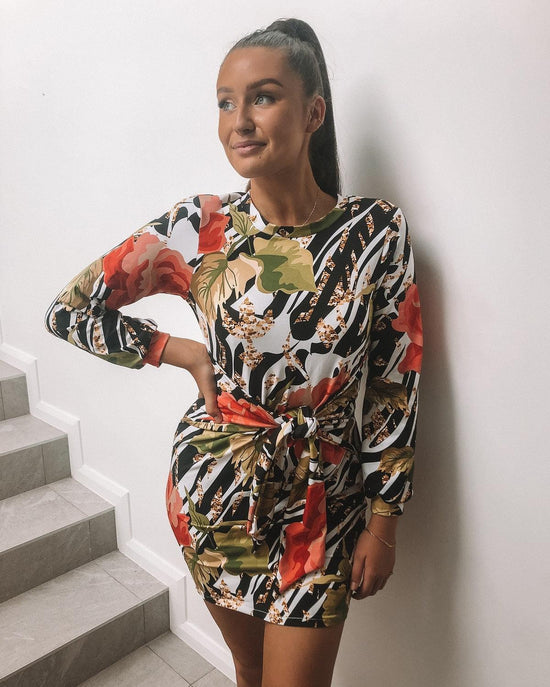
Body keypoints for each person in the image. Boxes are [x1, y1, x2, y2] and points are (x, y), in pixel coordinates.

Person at [45, 18, 422, 687]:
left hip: (324, 506)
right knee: (249, 669)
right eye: (225, 102)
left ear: (313, 113)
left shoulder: (375, 231)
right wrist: (178, 350)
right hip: (217, 492)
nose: (239, 121)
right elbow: (70, 310)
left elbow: (396, 382)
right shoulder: (203, 227)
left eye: (262, 97)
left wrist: (385, 519)